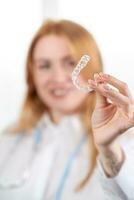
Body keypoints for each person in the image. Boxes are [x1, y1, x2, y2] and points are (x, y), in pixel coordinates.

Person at [0, 19, 134, 200]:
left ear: (94, 68)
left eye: (71, 63)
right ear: (32, 74)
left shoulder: (126, 141)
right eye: (44, 66)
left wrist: (109, 150)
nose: (58, 77)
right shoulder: (8, 140)